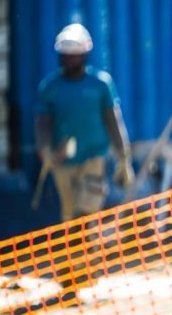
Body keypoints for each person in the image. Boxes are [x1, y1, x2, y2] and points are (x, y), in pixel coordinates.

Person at [34, 23, 135, 221]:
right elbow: (42, 123)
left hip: (93, 157)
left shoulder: (101, 85)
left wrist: (123, 158)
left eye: (75, 55)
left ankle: (90, 246)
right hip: (63, 160)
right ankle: (81, 251)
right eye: (66, 55)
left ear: (84, 54)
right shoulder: (50, 88)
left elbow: (113, 122)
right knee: (70, 216)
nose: (70, 59)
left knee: (86, 211)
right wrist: (44, 148)